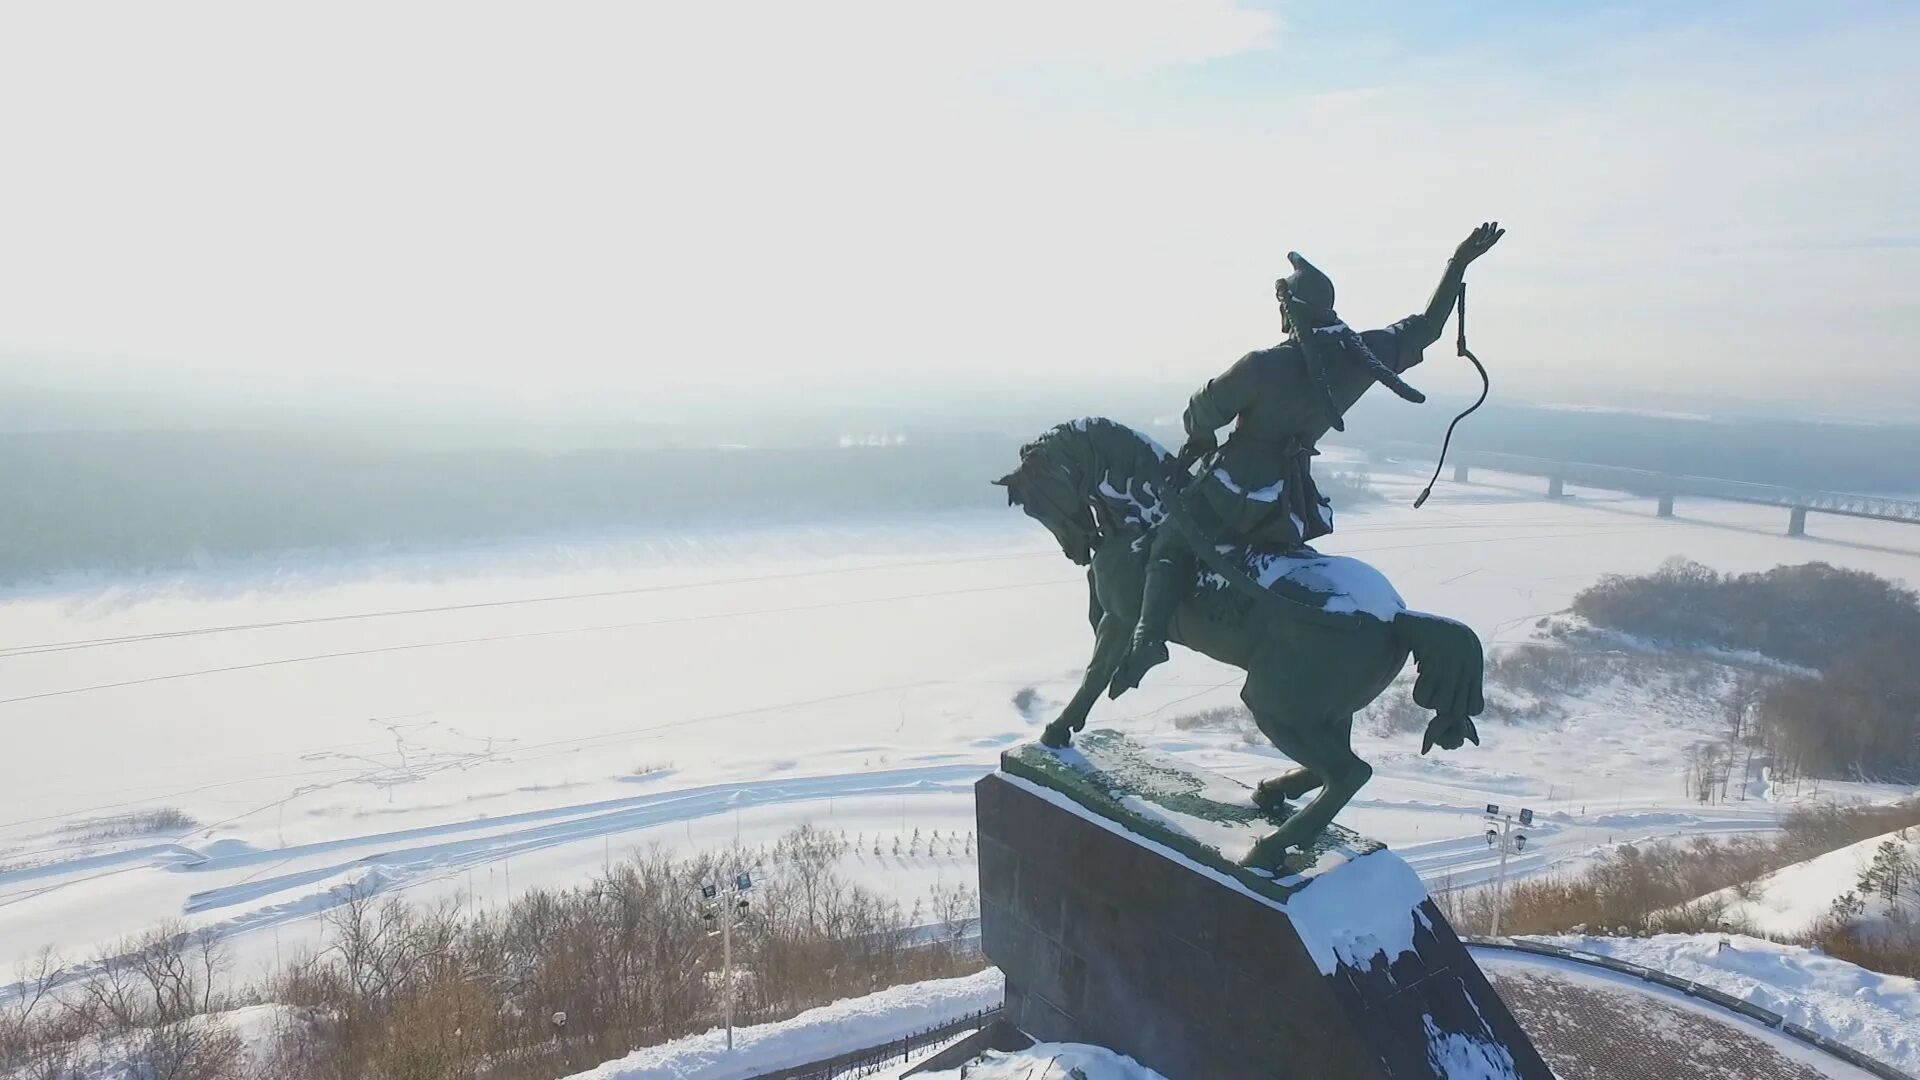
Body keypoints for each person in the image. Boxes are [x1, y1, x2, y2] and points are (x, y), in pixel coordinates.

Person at [1108, 222, 1505, 696]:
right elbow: (1426, 327)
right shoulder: (1362, 354)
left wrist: (1199, 442)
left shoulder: (1262, 366)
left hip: (1232, 492)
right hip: (1288, 504)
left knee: (1170, 541)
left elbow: (1201, 412)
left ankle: (1148, 636)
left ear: (1289, 311)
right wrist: (1457, 264)